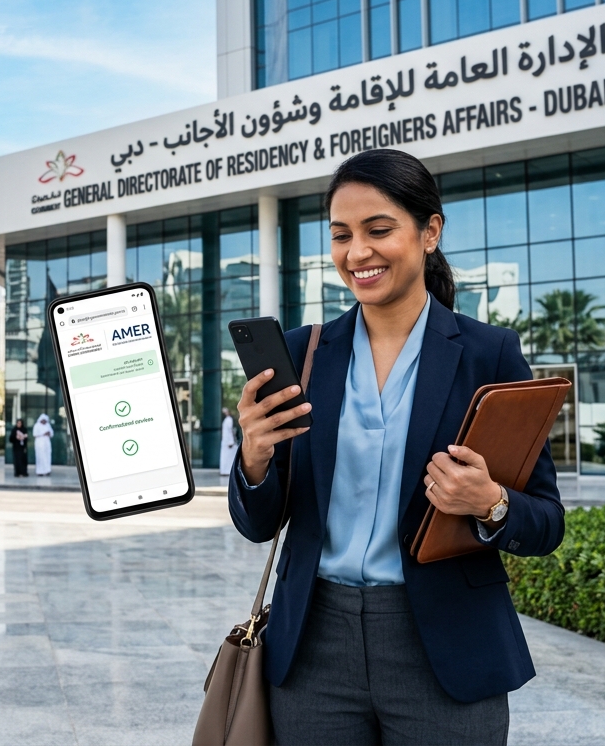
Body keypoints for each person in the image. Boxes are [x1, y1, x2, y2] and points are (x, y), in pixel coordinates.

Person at [230, 149, 563, 745]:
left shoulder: (490, 355)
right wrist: (254, 456)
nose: (357, 253)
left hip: (446, 645)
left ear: (429, 231)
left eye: (378, 230)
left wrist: (490, 502)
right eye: (341, 235)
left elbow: (545, 522)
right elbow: (259, 525)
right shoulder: (301, 353)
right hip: (312, 647)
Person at [218, 407, 237, 478]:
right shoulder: (227, 420)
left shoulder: (229, 420)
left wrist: (231, 441)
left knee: (229, 457)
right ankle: (225, 470)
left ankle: (228, 470)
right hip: (226, 442)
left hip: (228, 442)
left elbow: (230, 431)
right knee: (226, 457)